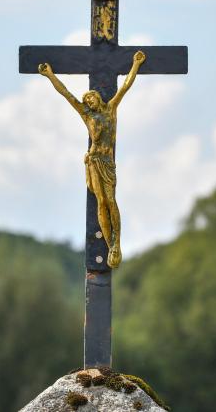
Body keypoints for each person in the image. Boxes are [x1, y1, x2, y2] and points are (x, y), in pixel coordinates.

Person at [38, 50, 146, 268]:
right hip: (94, 161)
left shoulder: (110, 110)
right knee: (101, 202)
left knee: (111, 200)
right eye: (87, 99)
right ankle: (110, 245)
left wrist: (136, 64)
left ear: (98, 99)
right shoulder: (86, 115)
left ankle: (117, 242)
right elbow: (66, 94)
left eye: (91, 98)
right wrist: (50, 75)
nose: (89, 101)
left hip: (107, 162)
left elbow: (125, 86)